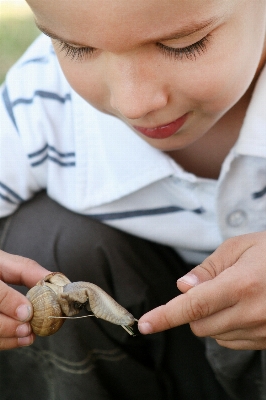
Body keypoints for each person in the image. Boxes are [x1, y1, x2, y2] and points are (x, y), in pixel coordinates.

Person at [0, 0, 266, 398]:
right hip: (147, 358)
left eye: (183, 44)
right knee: (46, 238)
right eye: (77, 48)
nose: (134, 103)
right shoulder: (42, 102)